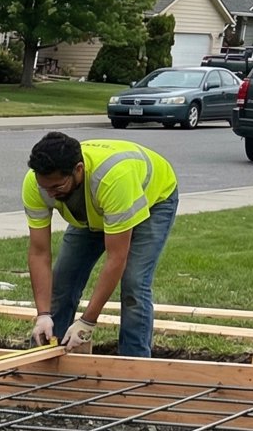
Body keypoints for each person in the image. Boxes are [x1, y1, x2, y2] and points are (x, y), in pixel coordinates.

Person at [21, 132, 180, 356]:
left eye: (56, 187)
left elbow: (117, 258)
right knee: (64, 278)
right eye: (44, 187)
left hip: (152, 200)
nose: (50, 194)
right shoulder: (36, 184)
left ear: (78, 170)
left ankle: (133, 363)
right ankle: (45, 350)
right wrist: (43, 314)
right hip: (94, 208)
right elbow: (39, 253)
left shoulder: (113, 179)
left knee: (135, 282)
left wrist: (87, 322)